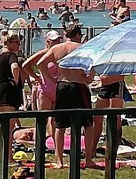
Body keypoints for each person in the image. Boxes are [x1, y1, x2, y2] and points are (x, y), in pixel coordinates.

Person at [36, 23, 98, 169]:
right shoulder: (82, 48)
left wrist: (51, 79)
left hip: (62, 85)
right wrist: (89, 78)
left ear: (66, 36)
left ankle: (59, 160)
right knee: (88, 123)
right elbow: (93, 64)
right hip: (78, 85)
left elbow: (40, 64)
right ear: (78, 35)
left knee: (60, 124)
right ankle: (88, 158)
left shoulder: (57, 48)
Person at [0, 32, 23, 149]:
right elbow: (15, 67)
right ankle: (8, 156)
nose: (19, 44)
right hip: (9, 91)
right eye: (16, 42)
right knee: (8, 126)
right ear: (8, 43)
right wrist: (15, 80)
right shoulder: (11, 55)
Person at [22, 30, 61, 137]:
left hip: (59, 90)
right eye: (54, 41)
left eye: (58, 40)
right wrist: (37, 77)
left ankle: (53, 144)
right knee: (42, 120)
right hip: (46, 90)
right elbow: (25, 65)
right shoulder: (43, 54)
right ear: (48, 41)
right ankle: (38, 145)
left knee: (56, 121)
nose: (57, 42)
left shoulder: (61, 53)